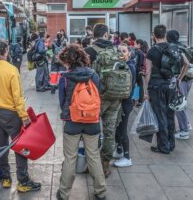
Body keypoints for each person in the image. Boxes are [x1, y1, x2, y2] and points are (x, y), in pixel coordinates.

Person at [0, 39, 41, 192]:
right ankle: (23, 181)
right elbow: (17, 96)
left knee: (1, 146)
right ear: (5, 52)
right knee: (20, 146)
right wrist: (23, 115)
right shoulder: (11, 70)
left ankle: (6, 178)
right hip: (12, 113)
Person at [56, 44, 106, 200]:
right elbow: (99, 94)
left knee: (70, 157)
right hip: (92, 121)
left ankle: (64, 193)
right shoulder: (94, 75)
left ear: (67, 61)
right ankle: (101, 191)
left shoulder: (65, 78)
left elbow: (62, 100)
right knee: (94, 155)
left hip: (72, 121)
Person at [143, 25, 189, 154]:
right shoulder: (175, 48)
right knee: (170, 114)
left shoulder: (152, 51)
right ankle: (171, 144)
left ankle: (163, 146)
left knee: (160, 116)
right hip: (171, 85)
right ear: (165, 34)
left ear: (154, 35)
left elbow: (148, 71)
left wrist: (146, 91)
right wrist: (179, 78)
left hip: (156, 86)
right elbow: (187, 63)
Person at [85, 24, 122, 178]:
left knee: (90, 133)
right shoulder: (116, 50)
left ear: (94, 35)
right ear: (106, 34)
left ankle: (91, 164)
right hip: (114, 97)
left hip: (95, 97)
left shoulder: (88, 51)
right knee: (109, 133)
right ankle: (105, 165)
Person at [166, 30, 192, 140]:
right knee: (182, 102)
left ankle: (184, 131)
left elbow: (186, 64)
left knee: (179, 105)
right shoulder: (183, 46)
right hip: (188, 80)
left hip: (180, 80)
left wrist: (179, 78)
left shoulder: (173, 48)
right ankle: (186, 124)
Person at [113, 44, 136, 167]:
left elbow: (132, 85)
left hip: (125, 102)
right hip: (120, 101)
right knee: (117, 128)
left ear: (129, 53)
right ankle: (119, 150)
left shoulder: (130, 66)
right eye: (119, 51)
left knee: (122, 130)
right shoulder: (120, 65)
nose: (121, 53)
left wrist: (134, 98)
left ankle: (127, 157)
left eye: (124, 51)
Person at [135, 39, 149, 105]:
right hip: (142, 71)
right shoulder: (144, 53)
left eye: (135, 44)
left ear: (139, 45)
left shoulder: (138, 52)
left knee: (137, 86)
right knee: (140, 86)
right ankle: (139, 100)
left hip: (138, 71)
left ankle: (136, 100)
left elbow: (138, 63)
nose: (134, 45)